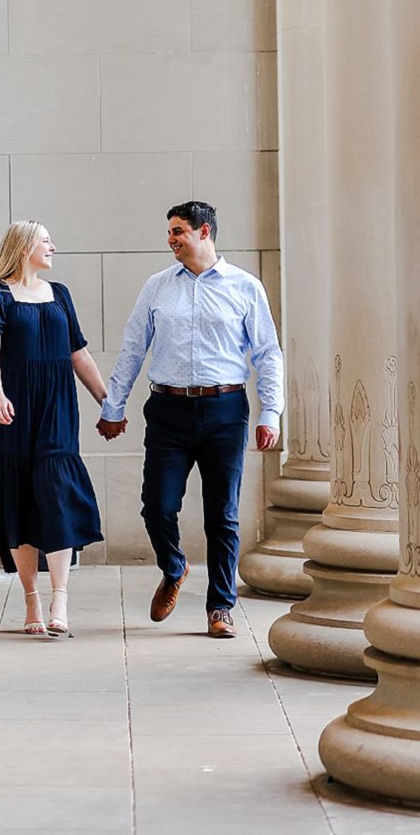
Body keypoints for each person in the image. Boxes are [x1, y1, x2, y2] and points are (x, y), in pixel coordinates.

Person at [96, 201, 283, 638]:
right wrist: (113, 408)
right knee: (157, 505)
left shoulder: (245, 287)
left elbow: (267, 354)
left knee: (223, 514)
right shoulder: (157, 288)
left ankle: (220, 607)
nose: (171, 240)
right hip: (168, 410)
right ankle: (174, 567)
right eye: (169, 232)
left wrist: (269, 412)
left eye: (178, 231)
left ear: (204, 232)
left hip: (224, 410)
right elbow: (132, 349)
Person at [0, 221, 116, 637]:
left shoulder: (59, 294)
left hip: (57, 408)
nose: (53, 247)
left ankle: (60, 597)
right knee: (20, 498)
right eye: (46, 241)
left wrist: (107, 400)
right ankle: (32, 601)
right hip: (11, 408)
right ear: (25, 247)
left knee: (57, 493)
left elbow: (78, 354)